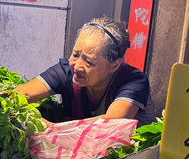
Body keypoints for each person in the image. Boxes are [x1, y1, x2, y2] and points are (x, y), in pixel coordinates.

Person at [15, 17, 156, 127]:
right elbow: (21, 95)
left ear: (114, 65)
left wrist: (53, 128)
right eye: (75, 55)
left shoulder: (134, 81)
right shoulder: (66, 71)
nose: (77, 66)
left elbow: (112, 123)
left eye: (89, 62)